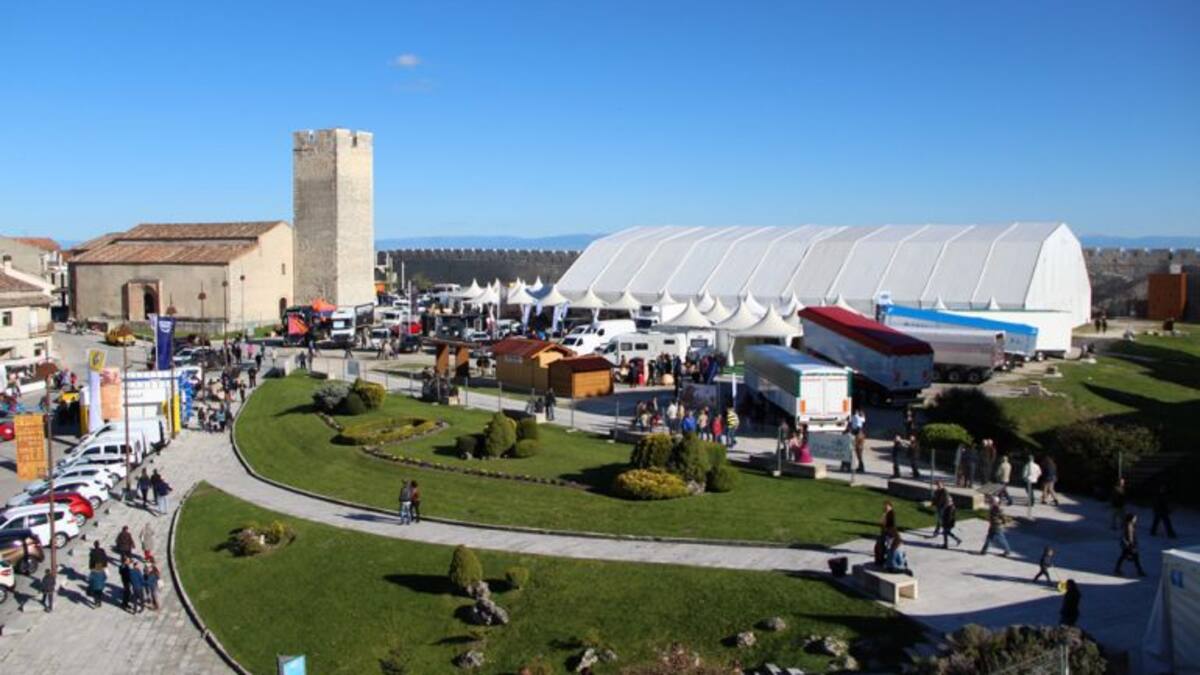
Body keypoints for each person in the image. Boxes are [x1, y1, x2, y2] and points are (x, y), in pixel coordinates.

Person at [1114, 513, 1146, 577]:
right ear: (1131, 518)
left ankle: (1117, 569)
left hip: (1127, 544)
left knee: (1124, 556)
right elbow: (1129, 536)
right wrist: (1131, 545)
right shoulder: (1129, 525)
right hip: (1129, 545)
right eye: (1135, 518)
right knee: (1133, 557)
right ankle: (1139, 571)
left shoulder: (1128, 524)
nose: (1136, 519)